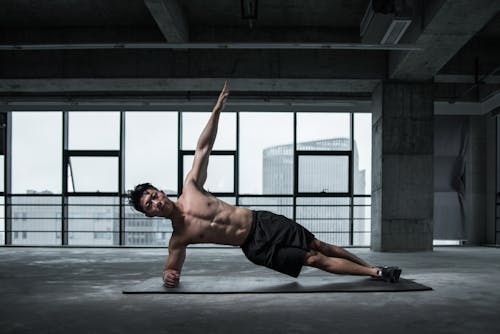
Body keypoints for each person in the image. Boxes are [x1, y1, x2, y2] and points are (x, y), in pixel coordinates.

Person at [128, 81, 402, 288]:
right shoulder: (179, 237)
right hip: (255, 247)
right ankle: (377, 273)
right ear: (150, 215)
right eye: (149, 205)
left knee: (321, 246)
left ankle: (375, 269)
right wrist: (167, 275)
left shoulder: (191, 188)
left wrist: (217, 109)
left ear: (161, 191)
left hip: (263, 222)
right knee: (312, 259)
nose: (155, 202)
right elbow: (171, 266)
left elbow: (203, 147)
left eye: (153, 195)